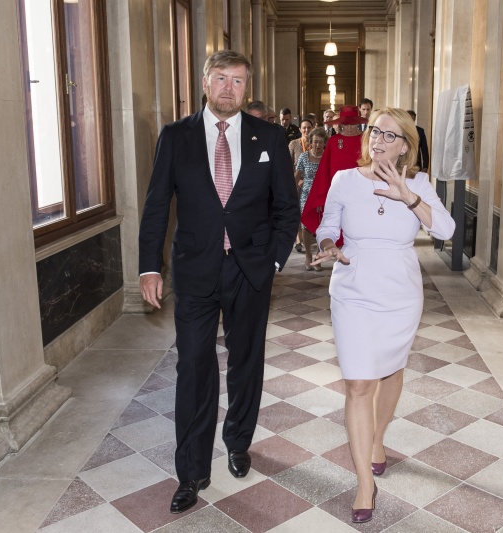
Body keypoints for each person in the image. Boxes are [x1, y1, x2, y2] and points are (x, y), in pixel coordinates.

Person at [138, 50, 300, 515]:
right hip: (195, 270)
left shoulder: (268, 136)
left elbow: (286, 208)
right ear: (206, 82)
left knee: (246, 360)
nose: (230, 88)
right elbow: (155, 206)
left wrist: (272, 261)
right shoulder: (175, 137)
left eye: (239, 81)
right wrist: (151, 265)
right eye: (222, 79)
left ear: (246, 88)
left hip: (250, 270)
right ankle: (191, 470)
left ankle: (237, 442)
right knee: (193, 365)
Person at [311, 107, 454, 524]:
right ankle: (363, 483)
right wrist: (326, 243)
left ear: (406, 146)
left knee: (391, 370)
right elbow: (328, 222)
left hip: (399, 291)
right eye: (375, 132)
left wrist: (408, 197)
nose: (378, 140)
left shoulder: (419, 184)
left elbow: (445, 230)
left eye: (390, 135)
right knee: (358, 383)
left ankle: (377, 439)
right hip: (353, 286)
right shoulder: (345, 179)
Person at [300, 105, 366, 236]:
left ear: (357, 123)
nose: (349, 127)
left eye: (352, 123)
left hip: (361, 193)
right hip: (337, 194)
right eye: (345, 124)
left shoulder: (366, 141)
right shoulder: (333, 141)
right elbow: (324, 171)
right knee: (337, 231)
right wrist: (320, 198)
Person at [294, 127, 328, 270]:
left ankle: (319, 256)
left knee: (322, 226)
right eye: (315, 142)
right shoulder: (303, 156)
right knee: (306, 225)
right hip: (306, 195)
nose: (318, 145)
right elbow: (297, 176)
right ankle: (308, 255)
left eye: (320, 142)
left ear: (324, 143)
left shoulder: (327, 156)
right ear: (311, 142)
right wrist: (292, 193)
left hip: (323, 195)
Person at [289, 118, 314, 253]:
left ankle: (308, 236)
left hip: (311, 182)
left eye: (309, 127)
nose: (306, 130)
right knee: (297, 209)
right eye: (304, 128)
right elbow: (288, 162)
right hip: (296, 181)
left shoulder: (315, 143)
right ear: (300, 129)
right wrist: (297, 180)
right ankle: (298, 239)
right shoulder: (293, 144)